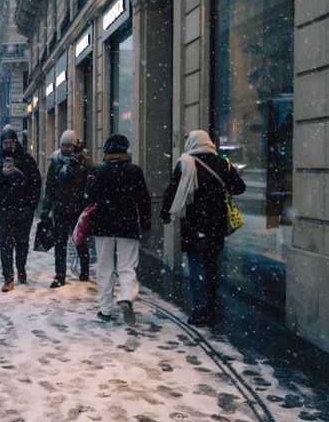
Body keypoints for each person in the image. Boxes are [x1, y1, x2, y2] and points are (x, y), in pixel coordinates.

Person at [160, 130, 246, 327]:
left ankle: (200, 310)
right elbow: (239, 188)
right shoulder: (222, 163)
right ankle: (213, 309)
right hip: (216, 224)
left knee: (197, 266)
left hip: (193, 223)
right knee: (212, 266)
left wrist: (165, 214)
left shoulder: (185, 163)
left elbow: (172, 191)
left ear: (191, 143)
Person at [84, 134, 151, 324]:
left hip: (103, 226)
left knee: (104, 268)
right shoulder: (134, 171)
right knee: (127, 266)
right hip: (128, 225)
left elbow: (88, 199)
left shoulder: (98, 171)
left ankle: (105, 310)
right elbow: (143, 200)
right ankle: (126, 297)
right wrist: (145, 225)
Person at [0, 128, 43, 292]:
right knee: (5, 243)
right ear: (1, 144)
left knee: (22, 242)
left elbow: (36, 182)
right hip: (2, 209)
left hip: (23, 208)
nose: (9, 146)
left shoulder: (26, 160)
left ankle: (21, 268)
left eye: (11, 142)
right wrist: (1, 174)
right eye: (5, 143)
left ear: (16, 142)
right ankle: (8, 278)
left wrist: (32, 204)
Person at [40, 130, 94, 288]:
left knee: (80, 241)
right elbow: (50, 187)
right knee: (60, 242)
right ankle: (60, 275)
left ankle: (84, 271)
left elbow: (91, 184)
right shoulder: (56, 162)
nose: (66, 149)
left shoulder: (85, 162)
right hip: (60, 209)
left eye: (69, 146)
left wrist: (87, 202)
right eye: (64, 145)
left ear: (75, 145)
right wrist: (46, 208)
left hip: (79, 209)